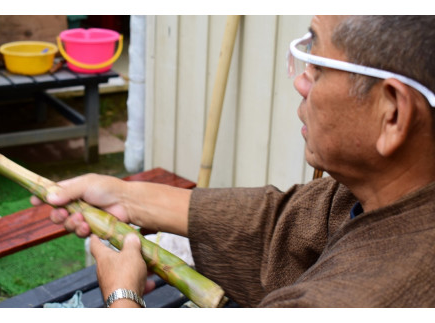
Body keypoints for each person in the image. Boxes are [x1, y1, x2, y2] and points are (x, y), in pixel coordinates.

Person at [31, 15, 435, 307]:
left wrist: (123, 297)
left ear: (393, 113)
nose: (300, 80)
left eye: (320, 66)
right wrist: (126, 198)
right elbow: (280, 223)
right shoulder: (379, 192)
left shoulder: (368, 300)